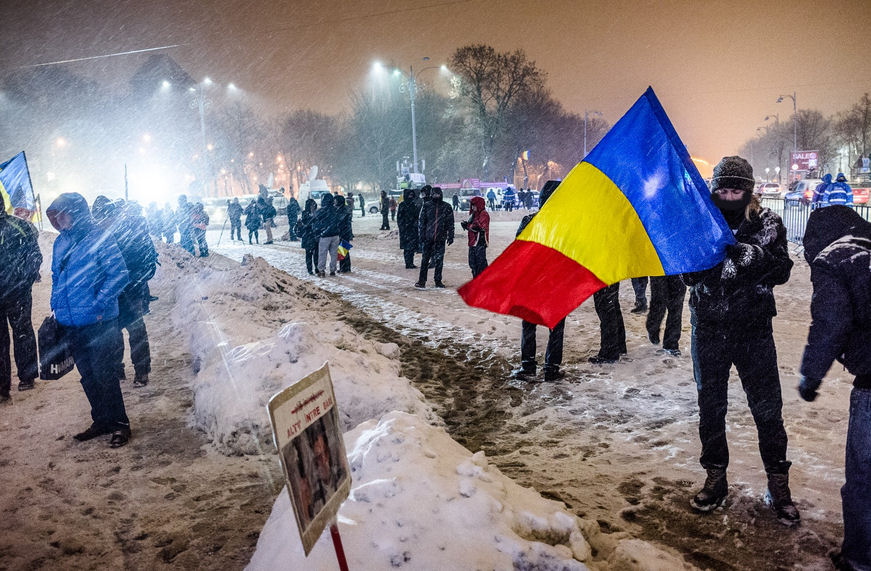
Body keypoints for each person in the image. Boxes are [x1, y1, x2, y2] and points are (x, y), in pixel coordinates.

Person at [681, 156, 798, 524]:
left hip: (753, 330)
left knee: (767, 409)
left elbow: (783, 270)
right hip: (710, 329)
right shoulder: (701, 223)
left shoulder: (767, 224)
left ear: (748, 192)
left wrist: (756, 257)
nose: (729, 195)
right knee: (711, 407)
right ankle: (715, 477)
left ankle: (778, 483)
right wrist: (706, 262)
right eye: (723, 189)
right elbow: (686, 277)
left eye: (736, 189)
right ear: (714, 190)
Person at [798, 205, 871, 571]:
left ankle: (859, 560)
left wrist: (811, 376)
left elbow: (831, 323)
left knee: (863, 480)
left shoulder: (835, 257)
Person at [46, 193, 131, 448]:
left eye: (63, 213)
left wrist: (98, 303)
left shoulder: (99, 238)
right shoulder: (60, 243)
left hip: (99, 321)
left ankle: (120, 424)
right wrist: (56, 304)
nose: (59, 219)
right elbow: (56, 277)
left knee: (105, 374)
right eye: (56, 215)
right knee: (88, 376)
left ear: (76, 212)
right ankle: (102, 420)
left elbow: (119, 274)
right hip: (71, 323)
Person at [92, 197, 158, 388]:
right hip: (112, 294)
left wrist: (134, 281)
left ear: (111, 215)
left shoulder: (132, 232)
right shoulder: (100, 236)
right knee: (113, 332)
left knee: (136, 330)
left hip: (132, 291)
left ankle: (142, 370)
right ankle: (117, 368)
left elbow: (148, 263)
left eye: (103, 218)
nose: (101, 223)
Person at [510, 181, 566, 382]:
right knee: (556, 327)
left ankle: (528, 365)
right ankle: (551, 367)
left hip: (533, 282)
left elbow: (518, 251)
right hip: (555, 284)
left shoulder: (529, 221)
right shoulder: (564, 226)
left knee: (529, 325)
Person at [0, 194, 42, 400]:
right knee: (11, 336)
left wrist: (24, 282)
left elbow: (34, 255)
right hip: (14, 292)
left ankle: (26, 377)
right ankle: (5, 385)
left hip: (17, 292)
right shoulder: (17, 226)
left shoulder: (18, 226)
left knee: (22, 331)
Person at [415, 187, 454, 289]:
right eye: (434, 194)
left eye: (438, 194)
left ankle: (438, 281)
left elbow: (450, 223)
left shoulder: (446, 206)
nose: (436, 196)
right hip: (428, 238)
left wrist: (451, 235)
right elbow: (421, 222)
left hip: (440, 238)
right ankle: (422, 281)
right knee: (425, 260)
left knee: (439, 260)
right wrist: (422, 235)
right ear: (431, 194)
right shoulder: (427, 206)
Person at [645, 275, 686, 356]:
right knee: (658, 304)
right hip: (659, 270)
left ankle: (671, 344)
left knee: (676, 308)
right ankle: (652, 327)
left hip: (678, 270)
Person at [589, 283, 626, 364]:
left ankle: (610, 351)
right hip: (610, 276)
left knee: (606, 308)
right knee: (612, 305)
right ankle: (618, 346)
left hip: (603, 277)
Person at [313, 193, 341, 277]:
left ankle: (321, 270)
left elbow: (316, 221)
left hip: (325, 235)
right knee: (334, 253)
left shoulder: (321, 211)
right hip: (335, 235)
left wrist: (320, 232)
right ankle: (333, 270)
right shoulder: (336, 210)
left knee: (322, 253)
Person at [461, 196, 489, 278]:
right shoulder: (474, 214)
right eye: (472, 205)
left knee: (480, 264)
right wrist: (467, 225)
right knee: (473, 263)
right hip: (473, 242)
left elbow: (480, 228)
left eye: (474, 205)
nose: (473, 207)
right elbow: (473, 226)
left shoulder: (484, 214)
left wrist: (469, 226)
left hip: (479, 242)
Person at [397, 188, 420, 269]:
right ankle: (408, 263)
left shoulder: (413, 204)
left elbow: (416, 216)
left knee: (412, 248)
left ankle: (411, 263)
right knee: (407, 248)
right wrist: (403, 227)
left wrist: (416, 223)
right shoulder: (402, 205)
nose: (410, 196)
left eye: (412, 195)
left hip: (413, 229)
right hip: (406, 230)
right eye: (409, 195)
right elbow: (399, 218)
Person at [297, 198, 319, 275]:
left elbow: (317, 222)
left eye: (314, 204)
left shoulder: (316, 212)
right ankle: (309, 269)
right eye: (312, 204)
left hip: (315, 235)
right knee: (308, 254)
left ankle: (317, 267)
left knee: (316, 253)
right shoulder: (305, 213)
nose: (313, 206)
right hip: (307, 235)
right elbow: (307, 223)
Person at [335, 195, 353, 273]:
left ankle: (344, 267)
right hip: (344, 232)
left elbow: (342, 222)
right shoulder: (343, 209)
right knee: (343, 250)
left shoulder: (342, 210)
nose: (334, 202)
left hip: (343, 232)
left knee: (343, 251)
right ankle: (345, 267)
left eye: (335, 201)